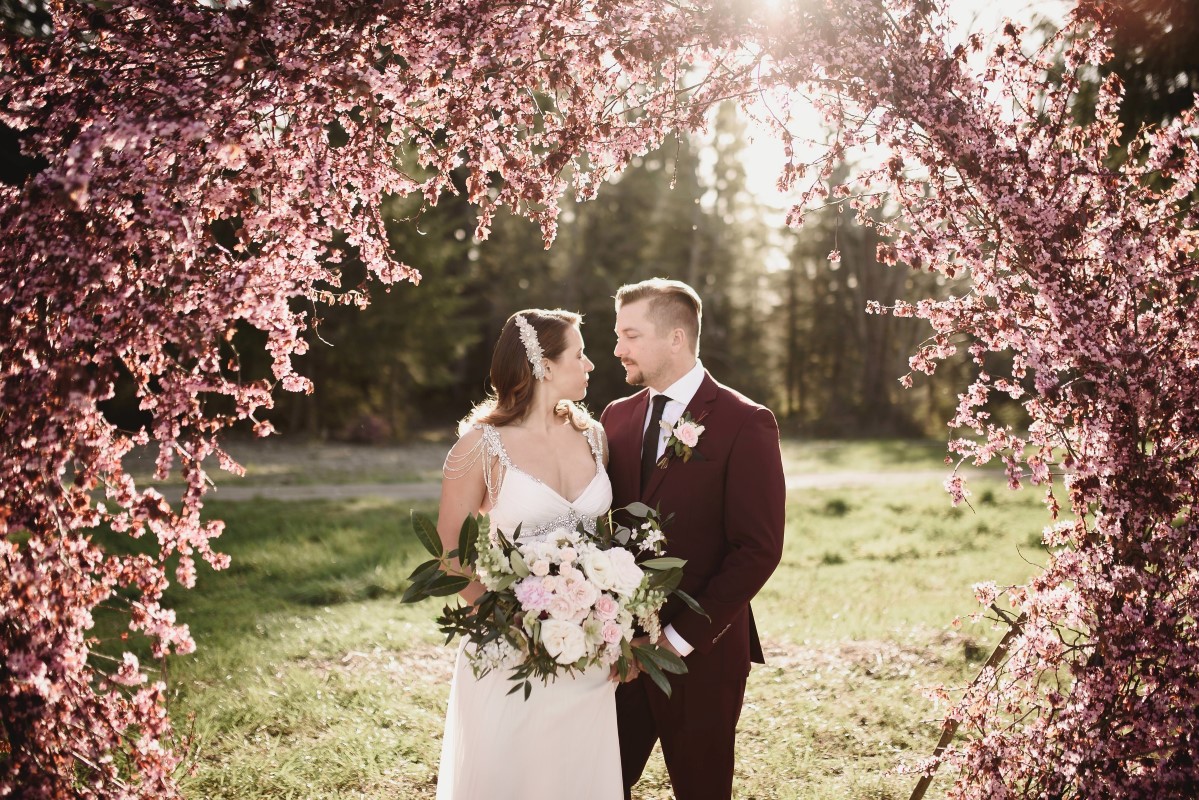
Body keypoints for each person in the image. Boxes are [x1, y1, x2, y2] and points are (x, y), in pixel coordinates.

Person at [601, 278, 786, 800]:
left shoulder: (745, 422)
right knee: (599, 784)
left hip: (702, 653)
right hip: (619, 649)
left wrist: (675, 640)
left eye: (631, 335)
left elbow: (758, 549)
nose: (617, 349)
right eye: (618, 335)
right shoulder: (615, 416)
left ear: (676, 338)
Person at [433, 309, 622, 800]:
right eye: (580, 354)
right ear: (544, 365)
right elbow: (448, 554)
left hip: (588, 653)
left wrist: (610, 618)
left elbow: (606, 542)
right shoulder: (480, 446)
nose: (591, 365)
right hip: (511, 651)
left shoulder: (594, 436)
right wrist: (508, 621)